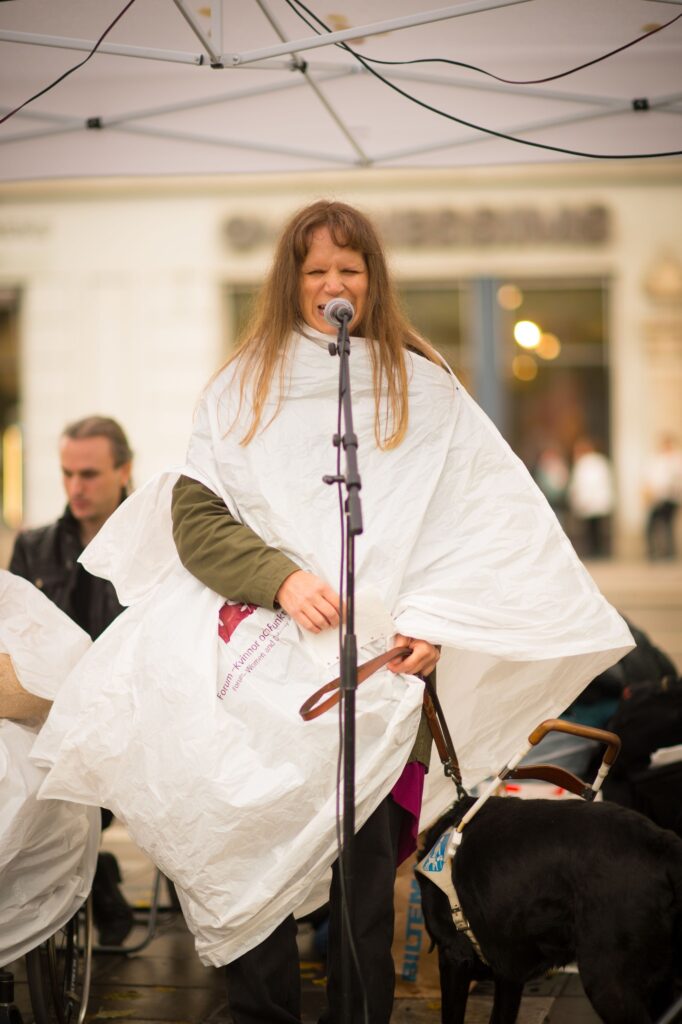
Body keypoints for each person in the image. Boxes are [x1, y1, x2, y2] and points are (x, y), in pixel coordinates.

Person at [31, 201, 632, 1024]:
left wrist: (433, 620)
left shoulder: (425, 386)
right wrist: (277, 577)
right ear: (290, 281)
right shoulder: (240, 388)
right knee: (249, 869)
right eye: (316, 271)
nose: (332, 284)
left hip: (376, 691)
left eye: (348, 270)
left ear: (372, 280)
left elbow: (476, 524)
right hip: (261, 684)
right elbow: (197, 520)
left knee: (362, 896)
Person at [9, 414, 135, 946]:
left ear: (124, 469)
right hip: (56, 711)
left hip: (131, 705)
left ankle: (98, 874)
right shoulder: (34, 547)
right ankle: (91, 876)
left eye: (89, 474)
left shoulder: (151, 544)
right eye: (67, 474)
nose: (75, 488)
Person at [567, 436, 614, 559]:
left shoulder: (583, 464)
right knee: (597, 529)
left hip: (590, 502)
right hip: (598, 502)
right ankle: (599, 551)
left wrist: (580, 500)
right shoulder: (601, 461)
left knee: (591, 530)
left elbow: (581, 485)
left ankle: (595, 552)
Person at [643, 433, 682, 560]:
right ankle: (656, 551)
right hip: (657, 498)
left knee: (667, 524)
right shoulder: (657, 459)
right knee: (654, 525)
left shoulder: (676, 459)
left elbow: (673, 480)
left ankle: (668, 552)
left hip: (669, 498)